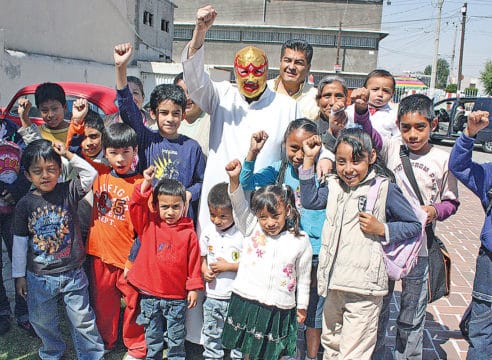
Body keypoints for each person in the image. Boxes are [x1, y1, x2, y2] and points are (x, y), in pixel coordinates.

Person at [299, 128, 422, 359]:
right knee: (332, 346)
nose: (348, 169)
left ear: (372, 157)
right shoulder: (334, 185)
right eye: (341, 162)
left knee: (353, 353)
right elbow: (310, 200)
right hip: (333, 285)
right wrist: (308, 159)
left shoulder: (384, 189)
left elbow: (414, 225)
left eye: (356, 161)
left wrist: (382, 228)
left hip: (364, 290)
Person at [181, 5, 300, 233]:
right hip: (220, 200)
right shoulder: (220, 95)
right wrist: (199, 32)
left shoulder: (288, 106)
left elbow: (304, 146)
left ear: (267, 71)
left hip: (265, 208)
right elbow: (194, 81)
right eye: (244, 71)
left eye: (257, 71)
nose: (251, 77)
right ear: (235, 71)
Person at [373, 94, 459, 359]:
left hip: (420, 248)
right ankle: (376, 353)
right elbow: (372, 138)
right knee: (379, 304)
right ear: (398, 125)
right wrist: (364, 112)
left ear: (433, 124)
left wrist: (434, 211)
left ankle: (407, 355)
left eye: (420, 127)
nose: (412, 134)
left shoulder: (444, 159)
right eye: (406, 127)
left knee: (412, 310)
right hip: (387, 242)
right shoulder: (391, 148)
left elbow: (451, 202)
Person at [239, 119, 325, 360]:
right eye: (293, 147)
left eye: (305, 147)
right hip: (285, 254)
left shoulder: (322, 171)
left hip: (316, 254)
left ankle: (311, 356)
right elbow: (246, 183)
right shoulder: (278, 170)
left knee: (313, 315)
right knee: (281, 312)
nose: (299, 154)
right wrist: (252, 153)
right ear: (285, 145)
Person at [11, 139, 104, 359]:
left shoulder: (68, 191)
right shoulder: (25, 204)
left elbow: (91, 174)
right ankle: (51, 352)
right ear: (27, 176)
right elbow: (19, 241)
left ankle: (91, 354)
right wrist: (18, 276)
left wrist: (69, 155)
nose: (45, 175)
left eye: (51, 169)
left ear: (60, 170)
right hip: (39, 277)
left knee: (83, 319)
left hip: (73, 272)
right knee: (42, 320)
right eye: (38, 171)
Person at [221, 159, 312, 359]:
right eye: (263, 217)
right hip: (248, 301)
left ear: (287, 211)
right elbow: (238, 205)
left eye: (275, 216)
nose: (269, 222)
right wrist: (234, 179)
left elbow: (304, 277)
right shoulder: (251, 227)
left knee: (274, 353)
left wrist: (302, 305)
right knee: (249, 352)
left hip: (280, 307)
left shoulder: (300, 240)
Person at [114, 43, 206, 222]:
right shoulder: (146, 138)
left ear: (183, 115)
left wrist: (188, 194)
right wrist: (120, 67)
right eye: (164, 113)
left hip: (180, 223)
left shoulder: (192, 147)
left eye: (176, 113)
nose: (170, 118)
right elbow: (126, 105)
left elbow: (201, 182)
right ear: (153, 114)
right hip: (148, 220)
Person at [126, 166, 203, 360]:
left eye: (176, 207)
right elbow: (135, 206)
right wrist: (146, 184)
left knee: (176, 338)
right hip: (150, 295)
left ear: (183, 206)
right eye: (165, 207)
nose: (170, 212)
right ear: (156, 206)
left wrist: (193, 288)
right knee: (153, 335)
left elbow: (193, 263)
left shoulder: (189, 233)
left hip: (176, 297)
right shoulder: (149, 225)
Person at [85, 123, 146, 359]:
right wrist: (78, 123)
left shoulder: (141, 184)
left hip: (128, 259)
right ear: (105, 152)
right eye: (113, 152)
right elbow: (71, 152)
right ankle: (106, 340)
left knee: (133, 303)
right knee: (103, 303)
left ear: (135, 151)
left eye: (126, 152)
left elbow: (143, 228)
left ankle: (137, 346)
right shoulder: (98, 173)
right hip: (100, 254)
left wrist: (133, 259)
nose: (120, 159)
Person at [449, 110, 492, 359]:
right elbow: (458, 166)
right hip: (489, 264)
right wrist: (469, 134)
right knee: (482, 330)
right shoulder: (489, 174)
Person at [199, 182, 243, 360]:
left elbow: (250, 265)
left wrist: (229, 267)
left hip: (235, 298)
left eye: (223, 216)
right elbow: (202, 257)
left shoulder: (241, 235)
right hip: (212, 296)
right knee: (211, 333)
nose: (217, 220)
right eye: (212, 215)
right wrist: (204, 271)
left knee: (237, 334)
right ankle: (212, 356)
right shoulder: (208, 232)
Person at [0, 116, 31, 335]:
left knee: (20, 259)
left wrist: (18, 188)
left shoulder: (12, 129)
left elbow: (29, 159)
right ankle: (2, 312)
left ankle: (25, 311)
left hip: (13, 209)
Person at [267, 39, 318, 120]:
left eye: (299, 63)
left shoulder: (316, 98)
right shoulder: (264, 90)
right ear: (280, 62)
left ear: (308, 68)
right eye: (287, 60)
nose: (291, 67)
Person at [347, 69, 399, 138]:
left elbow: (398, 138)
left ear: (392, 94)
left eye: (386, 91)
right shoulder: (352, 109)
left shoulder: (394, 116)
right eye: (375, 89)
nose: (380, 94)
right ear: (365, 90)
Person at [174, 72, 211, 157]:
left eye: (191, 91)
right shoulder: (170, 122)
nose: (187, 98)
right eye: (181, 93)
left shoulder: (213, 121)